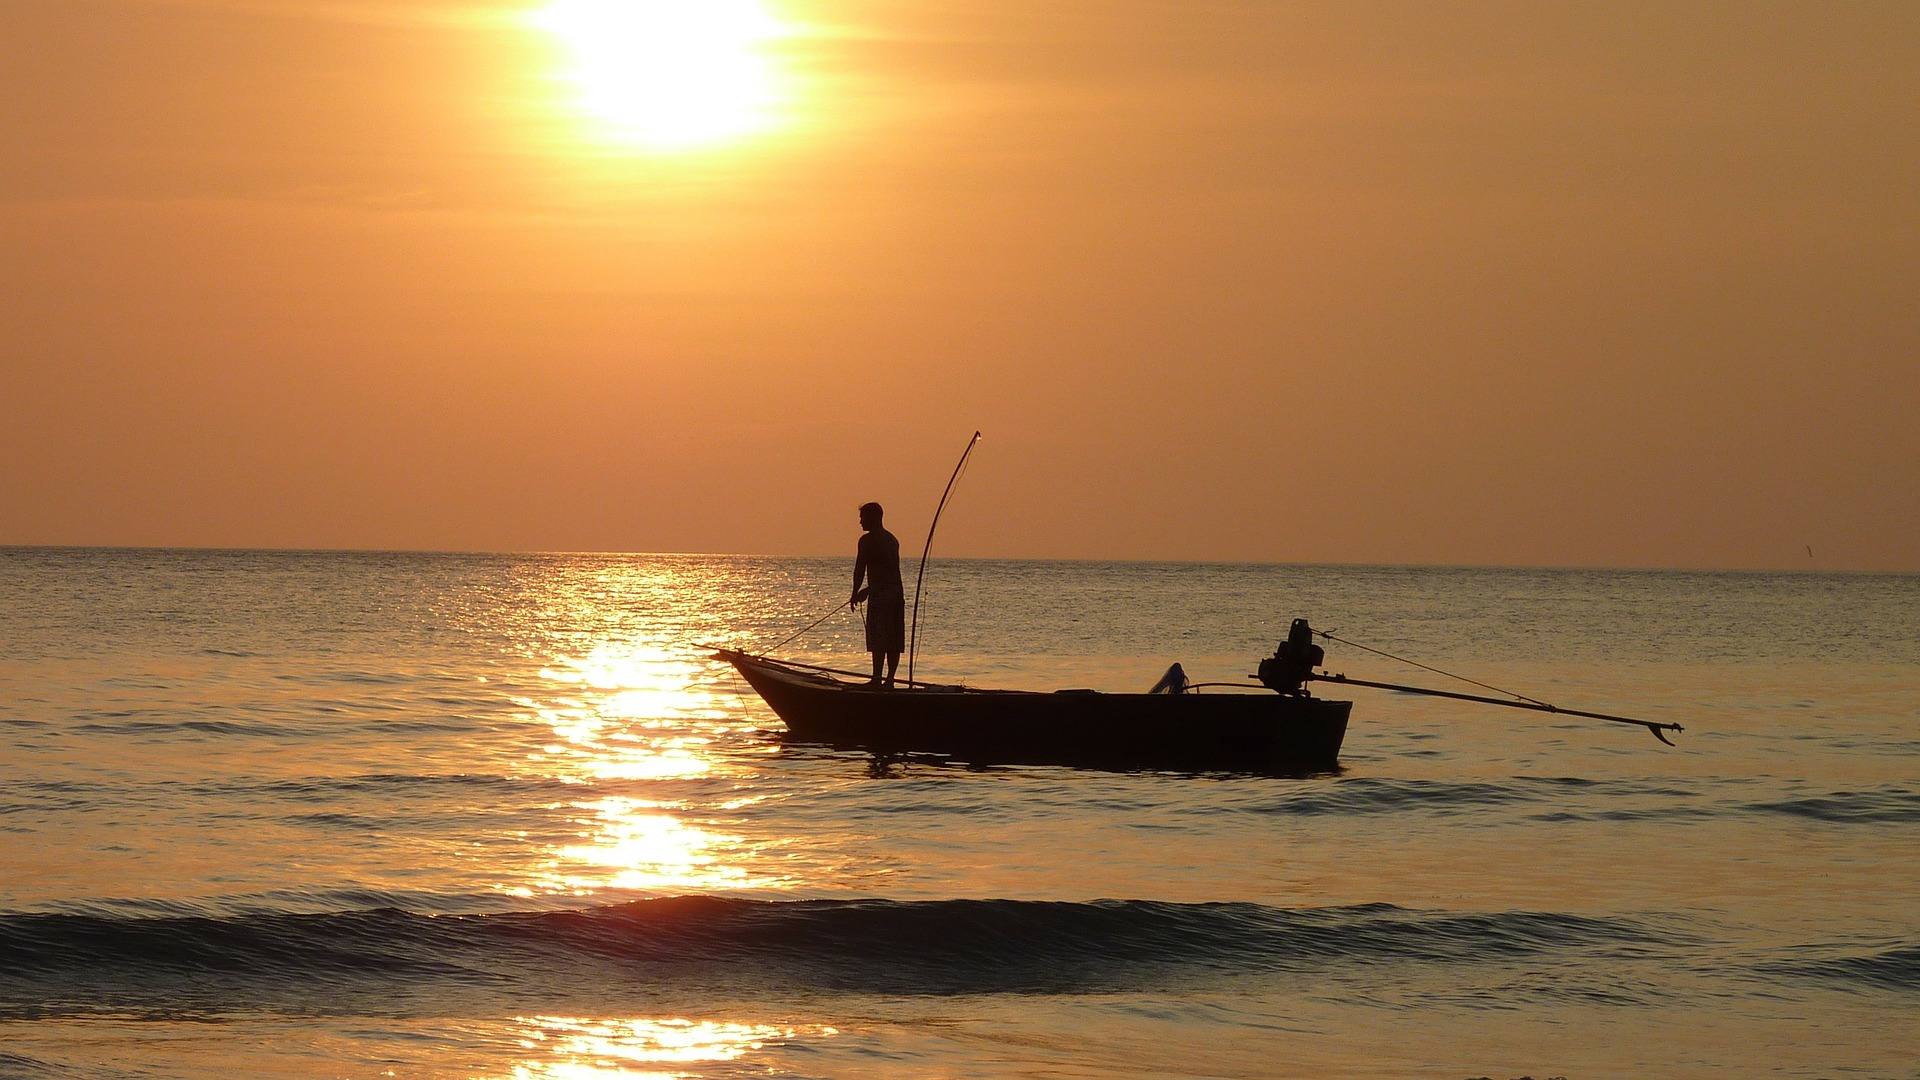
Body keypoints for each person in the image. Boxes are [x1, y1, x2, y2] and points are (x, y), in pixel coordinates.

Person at [849, 501, 905, 687]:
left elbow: (860, 569)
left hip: (883, 595)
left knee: (881, 637)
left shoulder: (867, 541)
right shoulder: (892, 540)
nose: (860, 522)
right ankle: (888, 680)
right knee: (892, 638)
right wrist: (863, 591)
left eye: (862, 518)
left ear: (874, 518)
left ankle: (878, 679)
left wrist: (858, 591)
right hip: (895, 594)